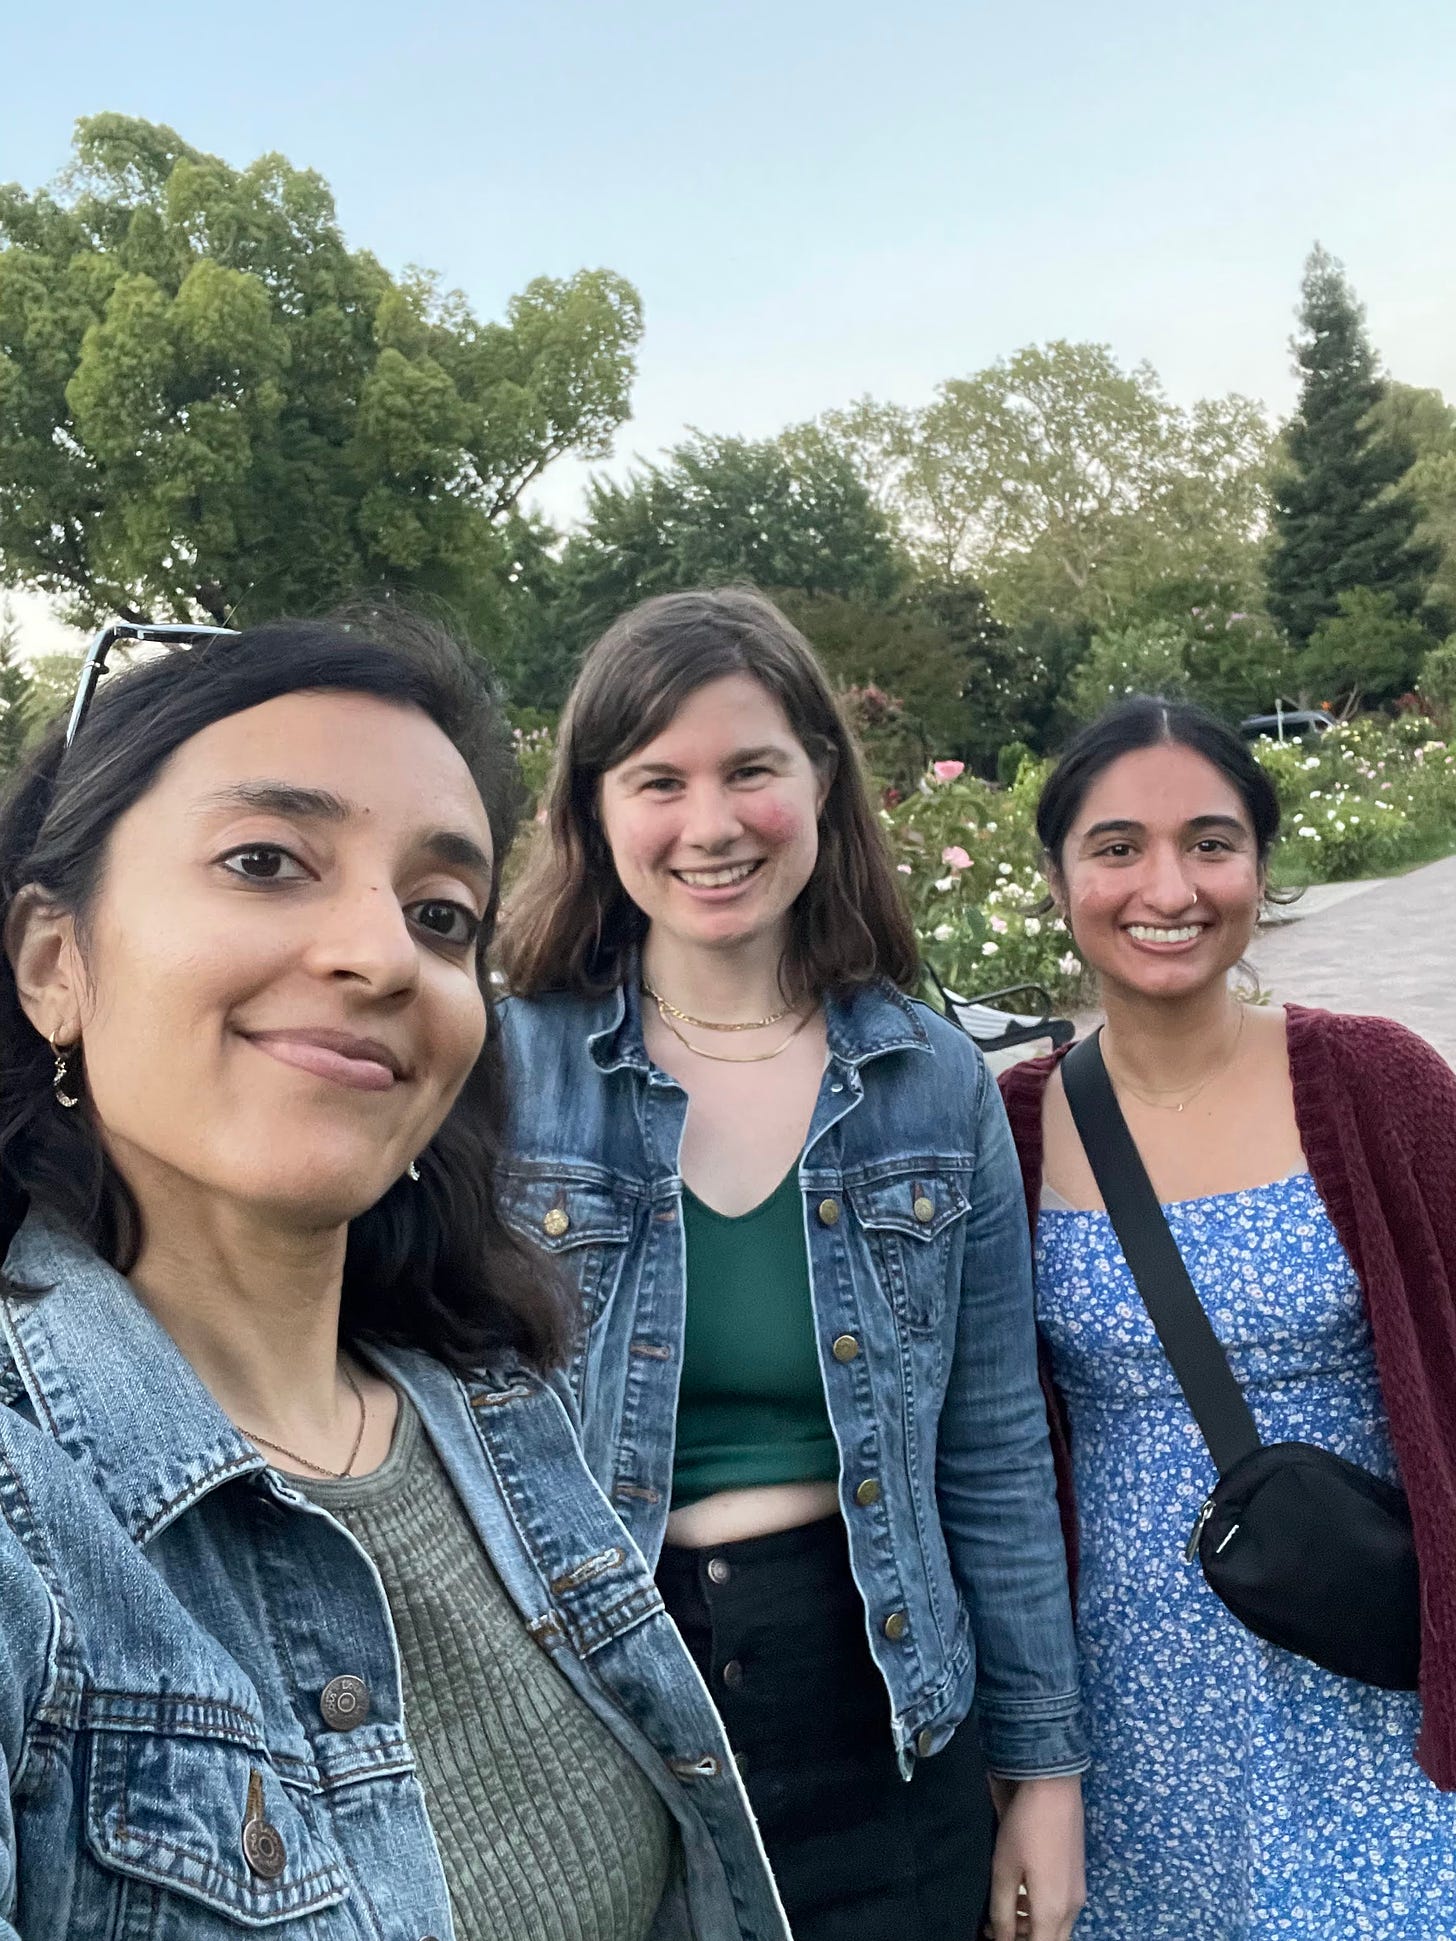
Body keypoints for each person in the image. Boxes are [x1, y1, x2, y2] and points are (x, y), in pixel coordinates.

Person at [0, 609, 790, 1941]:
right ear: (53, 964)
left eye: (440, 914)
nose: (379, 955)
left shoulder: (483, 1400)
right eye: (266, 860)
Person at [497, 586, 1088, 1941]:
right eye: (659, 780)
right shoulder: (501, 1071)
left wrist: (1044, 1771)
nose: (711, 825)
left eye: (752, 768)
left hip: (883, 1722)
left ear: (821, 780)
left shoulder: (929, 1081)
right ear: (595, 810)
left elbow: (992, 1447)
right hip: (598, 1721)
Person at [998, 695, 1456, 1939]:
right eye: (1115, 847)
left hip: (1370, 1659)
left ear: (1259, 863)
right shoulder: (1005, 1129)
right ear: (1056, 879)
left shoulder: (1378, 1083)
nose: (1168, 885)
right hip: (1126, 1702)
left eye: (1209, 841)